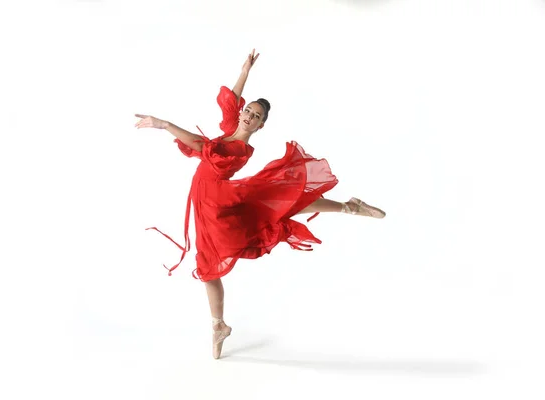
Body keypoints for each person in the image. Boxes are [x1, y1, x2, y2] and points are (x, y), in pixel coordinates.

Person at [135, 49, 385, 359]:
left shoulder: (239, 148)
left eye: (256, 116)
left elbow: (200, 144)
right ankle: (219, 326)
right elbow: (231, 102)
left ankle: (350, 207)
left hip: (222, 200)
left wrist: (164, 124)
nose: (250, 115)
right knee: (209, 269)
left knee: (283, 201)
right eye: (249, 111)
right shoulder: (230, 128)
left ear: (260, 126)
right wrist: (244, 72)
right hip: (205, 205)